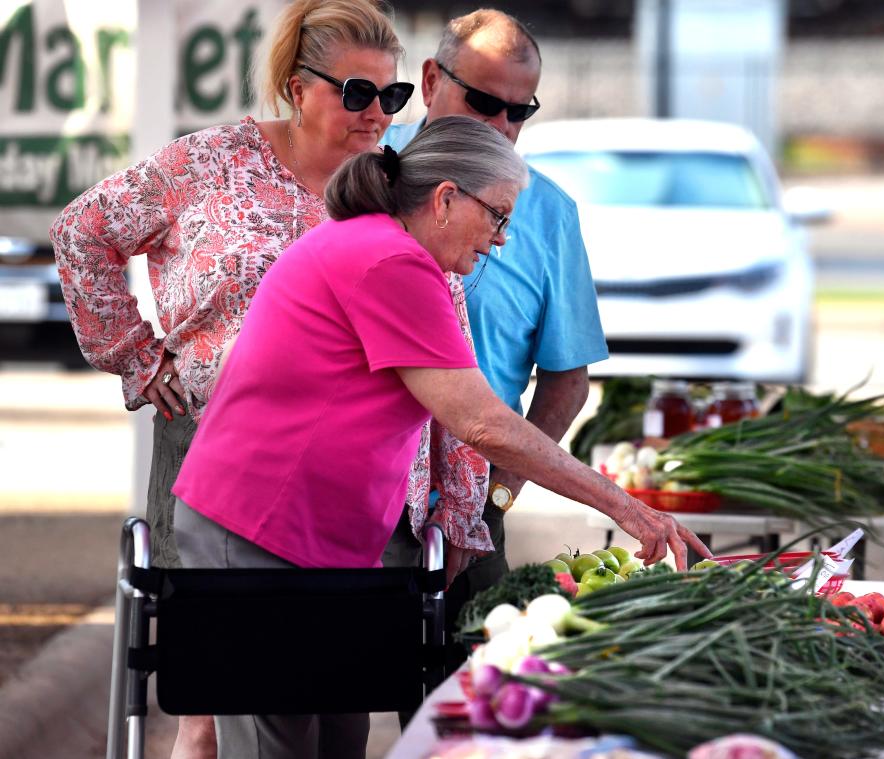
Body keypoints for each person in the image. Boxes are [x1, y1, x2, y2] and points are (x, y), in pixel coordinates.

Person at [170, 114, 709, 759]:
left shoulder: (388, 251)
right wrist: (626, 507)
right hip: (259, 527)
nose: (502, 241)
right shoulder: (386, 259)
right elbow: (482, 423)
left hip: (319, 541)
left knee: (337, 737)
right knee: (277, 744)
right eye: (498, 218)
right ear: (446, 198)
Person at [49, 1, 413, 756]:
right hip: (214, 454)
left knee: (323, 693)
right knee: (211, 700)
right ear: (295, 84)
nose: (378, 113)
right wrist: (136, 355)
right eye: (357, 92)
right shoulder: (209, 163)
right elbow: (83, 231)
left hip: (338, 480)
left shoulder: (390, 191)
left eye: (392, 94)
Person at [381, 8, 609, 659]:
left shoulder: (548, 210)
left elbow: (567, 377)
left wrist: (498, 494)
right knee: (329, 713)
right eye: (484, 103)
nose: (503, 126)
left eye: (520, 111)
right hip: (355, 491)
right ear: (430, 81)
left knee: (469, 706)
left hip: (473, 507)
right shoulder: (366, 167)